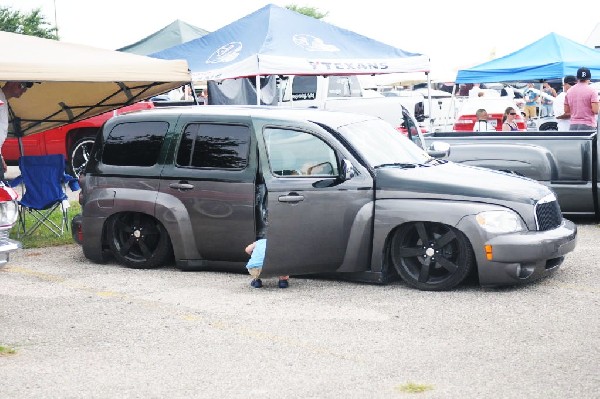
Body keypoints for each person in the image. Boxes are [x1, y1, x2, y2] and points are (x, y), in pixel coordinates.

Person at [0, 81, 34, 180]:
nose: (24, 90)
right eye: (22, 85)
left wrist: (1, 157)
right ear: (11, 82)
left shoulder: (3, 100)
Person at [565, 67, 599, 131]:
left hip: (573, 125)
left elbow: (566, 111)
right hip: (588, 125)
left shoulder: (569, 91)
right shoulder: (592, 91)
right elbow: (596, 110)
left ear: (577, 78)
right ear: (589, 78)